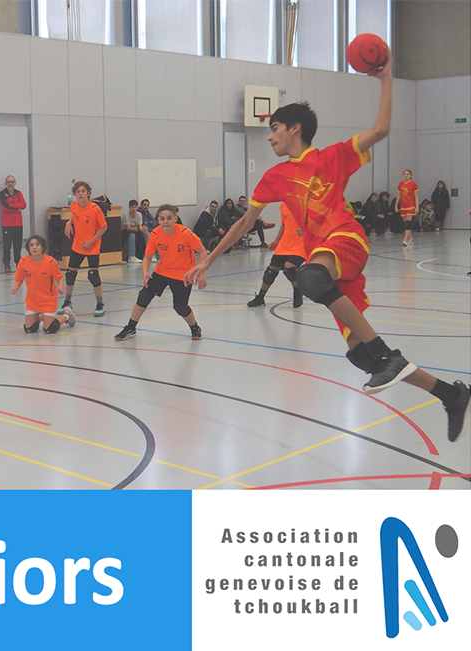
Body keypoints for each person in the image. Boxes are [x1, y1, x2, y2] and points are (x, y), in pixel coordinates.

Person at [184, 51, 471, 443]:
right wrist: (208, 261)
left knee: (311, 278)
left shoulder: (333, 157)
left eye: (275, 128)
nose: (269, 136)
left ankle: (387, 355)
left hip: (345, 239)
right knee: (360, 355)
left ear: (295, 128)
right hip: (324, 257)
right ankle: (450, 394)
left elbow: (381, 129)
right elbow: (244, 223)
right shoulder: (274, 177)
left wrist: (386, 79)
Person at [114, 205, 206, 342]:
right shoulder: (155, 234)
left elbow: (202, 252)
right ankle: (131, 328)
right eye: (162, 219)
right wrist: (145, 272)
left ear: (175, 218)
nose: (166, 221)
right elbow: (147, 257)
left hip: (183, 273)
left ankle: (195, 328)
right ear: (158, 220)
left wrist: (200, 273)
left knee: (180, 307)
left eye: (169, 218)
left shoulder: (185, 233)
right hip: (163, 270)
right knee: (144, 296)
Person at [58, 181, 109, 317]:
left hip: (92, 246)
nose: (80, 193)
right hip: (78, 245)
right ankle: (67, 302)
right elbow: (75, 215)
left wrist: (91, 241)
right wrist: (69, 222)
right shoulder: (73, 205)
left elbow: (104, 227)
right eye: (78, 191)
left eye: (83, 191)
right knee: (70, 274)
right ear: (75, 194)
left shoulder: (95, 209)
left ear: (88, 193)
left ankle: (100, 304)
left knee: (93, 275)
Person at [248, 203, 306, 308]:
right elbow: (284, 225)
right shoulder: (283, 205)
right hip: (285, 243)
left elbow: (316, 222)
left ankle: (297, 290)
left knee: (289, 267)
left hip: (301, 243)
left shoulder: (305, 202)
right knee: (271, 269)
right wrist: (276, 241)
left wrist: (306, 230)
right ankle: (260, 297)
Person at [12, 235, 74, 333]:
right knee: (29, 329)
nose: (34, 247)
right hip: (32, 301)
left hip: (48, 301)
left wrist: (60, 287)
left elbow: (60, 277)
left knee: (49, 329)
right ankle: (41, 316)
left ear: (43, 247)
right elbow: (19, 279)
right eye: (31, 245)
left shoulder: (50, 262)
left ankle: (66, 316)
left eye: (37, 245)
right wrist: (16, 286)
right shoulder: (23, 261)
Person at [0, 175, 26, 272]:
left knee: (18, 246)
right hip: (7, 224)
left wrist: (12, 205)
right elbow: (5, 207)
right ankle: (7, 265)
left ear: (15, 183)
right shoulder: (2, 194)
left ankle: (19, 264)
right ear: (5, 183)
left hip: (18, 224)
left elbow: (24, 205)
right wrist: (17, 208)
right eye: (8, 182)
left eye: (12, 182)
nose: (10, 184)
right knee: (7, 246)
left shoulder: (18, 193)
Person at [120, 199, 146, 264]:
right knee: (132, 235)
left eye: (135, 207)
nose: (134, 209)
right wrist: (138, 229)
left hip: (136, 230)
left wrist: (143, 228)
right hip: (126, 232)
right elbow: (128, 228)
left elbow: (140, 226)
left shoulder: (139, 214)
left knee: (146, 233)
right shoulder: (126, 215)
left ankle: (151, 254)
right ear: (129, 207)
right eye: (132, 207)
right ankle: (131, 256)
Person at [398, 170, 419, 246]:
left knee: (407, 223)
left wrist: (417, 206)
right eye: (404, 174)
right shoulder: (401, 184)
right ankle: (410, 239)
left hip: (410, 205)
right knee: (406, 224)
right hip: (403, 206)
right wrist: (396, 205)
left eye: (407, 174)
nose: (406, 176)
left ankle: (405, 240)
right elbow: (399, 195)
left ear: (410, 175)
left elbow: (416, 195)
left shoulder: (413, 184)